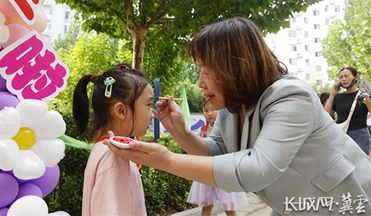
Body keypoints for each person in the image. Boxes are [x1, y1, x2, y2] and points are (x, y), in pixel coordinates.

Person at [104, 17, 371, 215]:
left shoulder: (291, 95)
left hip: (346, 202)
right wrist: (180, 132)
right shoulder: (233, 105)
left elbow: (257, 169)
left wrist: (167, 160)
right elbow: (217, 151)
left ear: (234, 68)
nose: (200, 83)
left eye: (205, 72)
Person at [73, 66, 153, 215]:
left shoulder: (104, 149)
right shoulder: (114, 158)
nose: (152, 114)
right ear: (121, 111)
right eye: (148, 105)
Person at [187, 98, 248, 216]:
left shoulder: (227, 129)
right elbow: (197, 149)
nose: (209, 113)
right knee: (206, 208)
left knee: (229, 209)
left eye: (213, 109)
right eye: (205, 110)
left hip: (224, 171)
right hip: (206, 172)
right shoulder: (202, 130)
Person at [324, 67, 371, 155]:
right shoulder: (338, 97)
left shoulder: (364, 95)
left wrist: (368, 102)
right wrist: (333, 94)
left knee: (363, 164)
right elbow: (326, 114)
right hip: (341, 134)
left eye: (346, 76)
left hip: (359, 135)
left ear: (356, 77)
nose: (344, 79)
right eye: (341, 77)